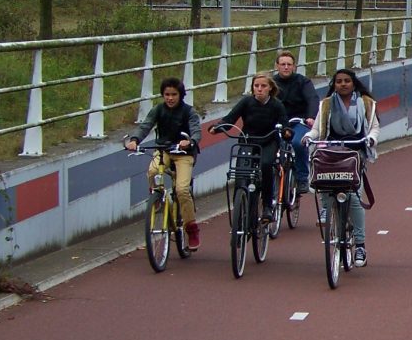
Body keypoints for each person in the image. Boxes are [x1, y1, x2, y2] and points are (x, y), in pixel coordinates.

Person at [311, 68, 379, 268]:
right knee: (321, 181)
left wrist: (371, 139)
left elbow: (374, 126)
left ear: (353, 83)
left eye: (346, 81)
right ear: (334, 84)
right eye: (338, 81)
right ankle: (326, 209)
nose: (342, 84)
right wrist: (309, 137)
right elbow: (317, 128)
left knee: (354, 197)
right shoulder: (326, 105)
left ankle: (360, 245)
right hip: (330, 152)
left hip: (354, 154)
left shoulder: (367, 103)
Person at [125, 77, 203, 250]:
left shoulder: (189, 112)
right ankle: (156, 196)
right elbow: (145, 126)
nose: (170, 98)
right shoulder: (158, 110)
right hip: (164, 150)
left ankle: (191, 228)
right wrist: (135, 139)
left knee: (182, 190)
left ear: (180, 95)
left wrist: (189, 142)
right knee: (152, 171)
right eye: (167, 94)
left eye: (174, 94)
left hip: (184, 154)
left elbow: (197, 131)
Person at [213, 73, 290, 222]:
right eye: (256, 86)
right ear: (252, 88)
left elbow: (285, 124)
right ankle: (239, 205)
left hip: (268, 142)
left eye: (263, 86)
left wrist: (286, 132)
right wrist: (217, 127)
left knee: (266, 165)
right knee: (241, 172)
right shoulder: (246, 102)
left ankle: (267, 206)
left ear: (270, 88)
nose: (259, 89)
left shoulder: (276, 104)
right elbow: (230, 119)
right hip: (248, 141)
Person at [272, 50, 318, 193]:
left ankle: (302, 178)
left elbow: (312, 98)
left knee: (299, 143)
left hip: (298, 122)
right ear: (277, 66)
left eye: (289, 64)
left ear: (294, 67)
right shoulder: (271, 83)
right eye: (283, 64)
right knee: (269, 147)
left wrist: (310, 116)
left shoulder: (303, 82)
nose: (286, 67)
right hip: (278, 123)